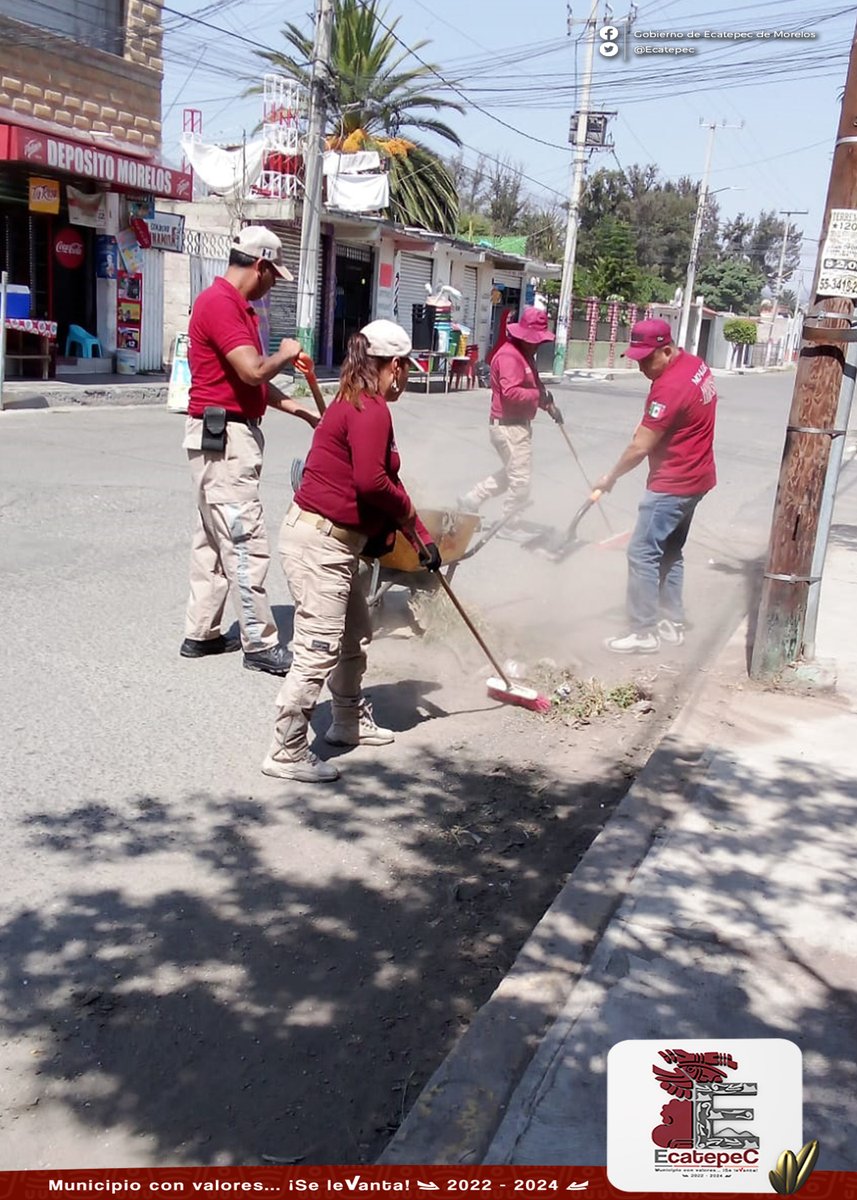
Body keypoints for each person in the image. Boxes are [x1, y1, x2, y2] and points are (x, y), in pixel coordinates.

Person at [263, 319, 441, 784]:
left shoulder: (358, 401)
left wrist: (419, 535)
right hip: (320, 542)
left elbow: (386, 481)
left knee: (354, 633)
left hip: (339, 543)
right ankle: (286, 748)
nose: (407, 379)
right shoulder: (370, 408)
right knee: (318, 647)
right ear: (395, 366)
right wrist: (406, 520)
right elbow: (372, 483)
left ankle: (346, 722)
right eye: (407, 370)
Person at [180, 225, 320, 675]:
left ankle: (201, 632)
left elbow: (251, 382)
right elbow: (256, 370)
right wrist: (284, 354)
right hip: (225, 442)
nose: (272, 285)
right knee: (243, 540)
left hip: (219, 437)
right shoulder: (220, 305)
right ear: (259, 265)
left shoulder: (235, 307)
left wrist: (303, 411)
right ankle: (259, 645)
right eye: (273, 276)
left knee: (213, 540)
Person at [593, 318, 717, 655]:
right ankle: (671, 622)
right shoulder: (694, 365)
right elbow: (656, 423)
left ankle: (643, 631)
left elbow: (640, 448)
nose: (643, 367)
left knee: (642, 552)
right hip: (698, 478)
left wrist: (611, 477)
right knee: (670, 550)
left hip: (672, 484)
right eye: (637, 360)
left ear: (666, 349)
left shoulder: (670, 387)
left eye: (648, 360)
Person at [459, 306, 563, 521]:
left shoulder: (526, 355)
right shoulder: (509, 357)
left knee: (512, 473)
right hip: (507, 427)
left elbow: (534, 387)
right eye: (535, 340)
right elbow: (511, 393)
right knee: (521, 479)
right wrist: (537, 395)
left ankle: (472, 499)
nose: (537, 345)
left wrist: (549, 405)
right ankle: (510, 522)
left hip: (518, 425)